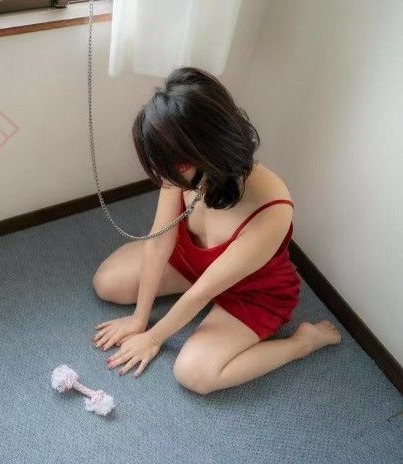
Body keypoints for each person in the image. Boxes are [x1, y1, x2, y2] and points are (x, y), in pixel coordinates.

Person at [92, 67, 341, 395]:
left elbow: (204, 292)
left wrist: (153, 337)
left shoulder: (273, 207)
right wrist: (140, 318)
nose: (166, 175)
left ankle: (301, 344)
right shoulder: (179, 162)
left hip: (250, 292)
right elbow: (159, 243)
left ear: (207, 148)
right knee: (107, 282)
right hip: (193, 266)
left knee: (194, 374)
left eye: (175, 165)